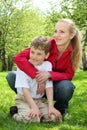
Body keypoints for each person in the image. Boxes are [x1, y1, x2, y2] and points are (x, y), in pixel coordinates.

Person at [6, 18, 82, 117]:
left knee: (67, 87)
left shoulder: (74, 53)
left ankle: (60, 108)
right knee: (11, 76)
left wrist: (49, 75)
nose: (56, 35)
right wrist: (37, 76)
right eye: (55, 31)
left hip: (54, 87)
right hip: (36, 85)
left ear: (71, 35)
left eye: (62, 32)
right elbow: (19, 58)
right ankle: (25, 104)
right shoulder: (47, 44)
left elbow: (69, 75)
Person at [11, 36, 62, 122]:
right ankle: (15, 114)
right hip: (24, 99)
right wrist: (34, 107)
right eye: (32, 52)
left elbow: (49, 87)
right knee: (33, 119)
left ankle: (40, 115)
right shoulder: (23, 66)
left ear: (46, 55)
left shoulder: (47, 65)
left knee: (55, 118)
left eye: (39, 54)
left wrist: (51, 107)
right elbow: (25, 89)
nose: (34, 56)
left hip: (39, 100)